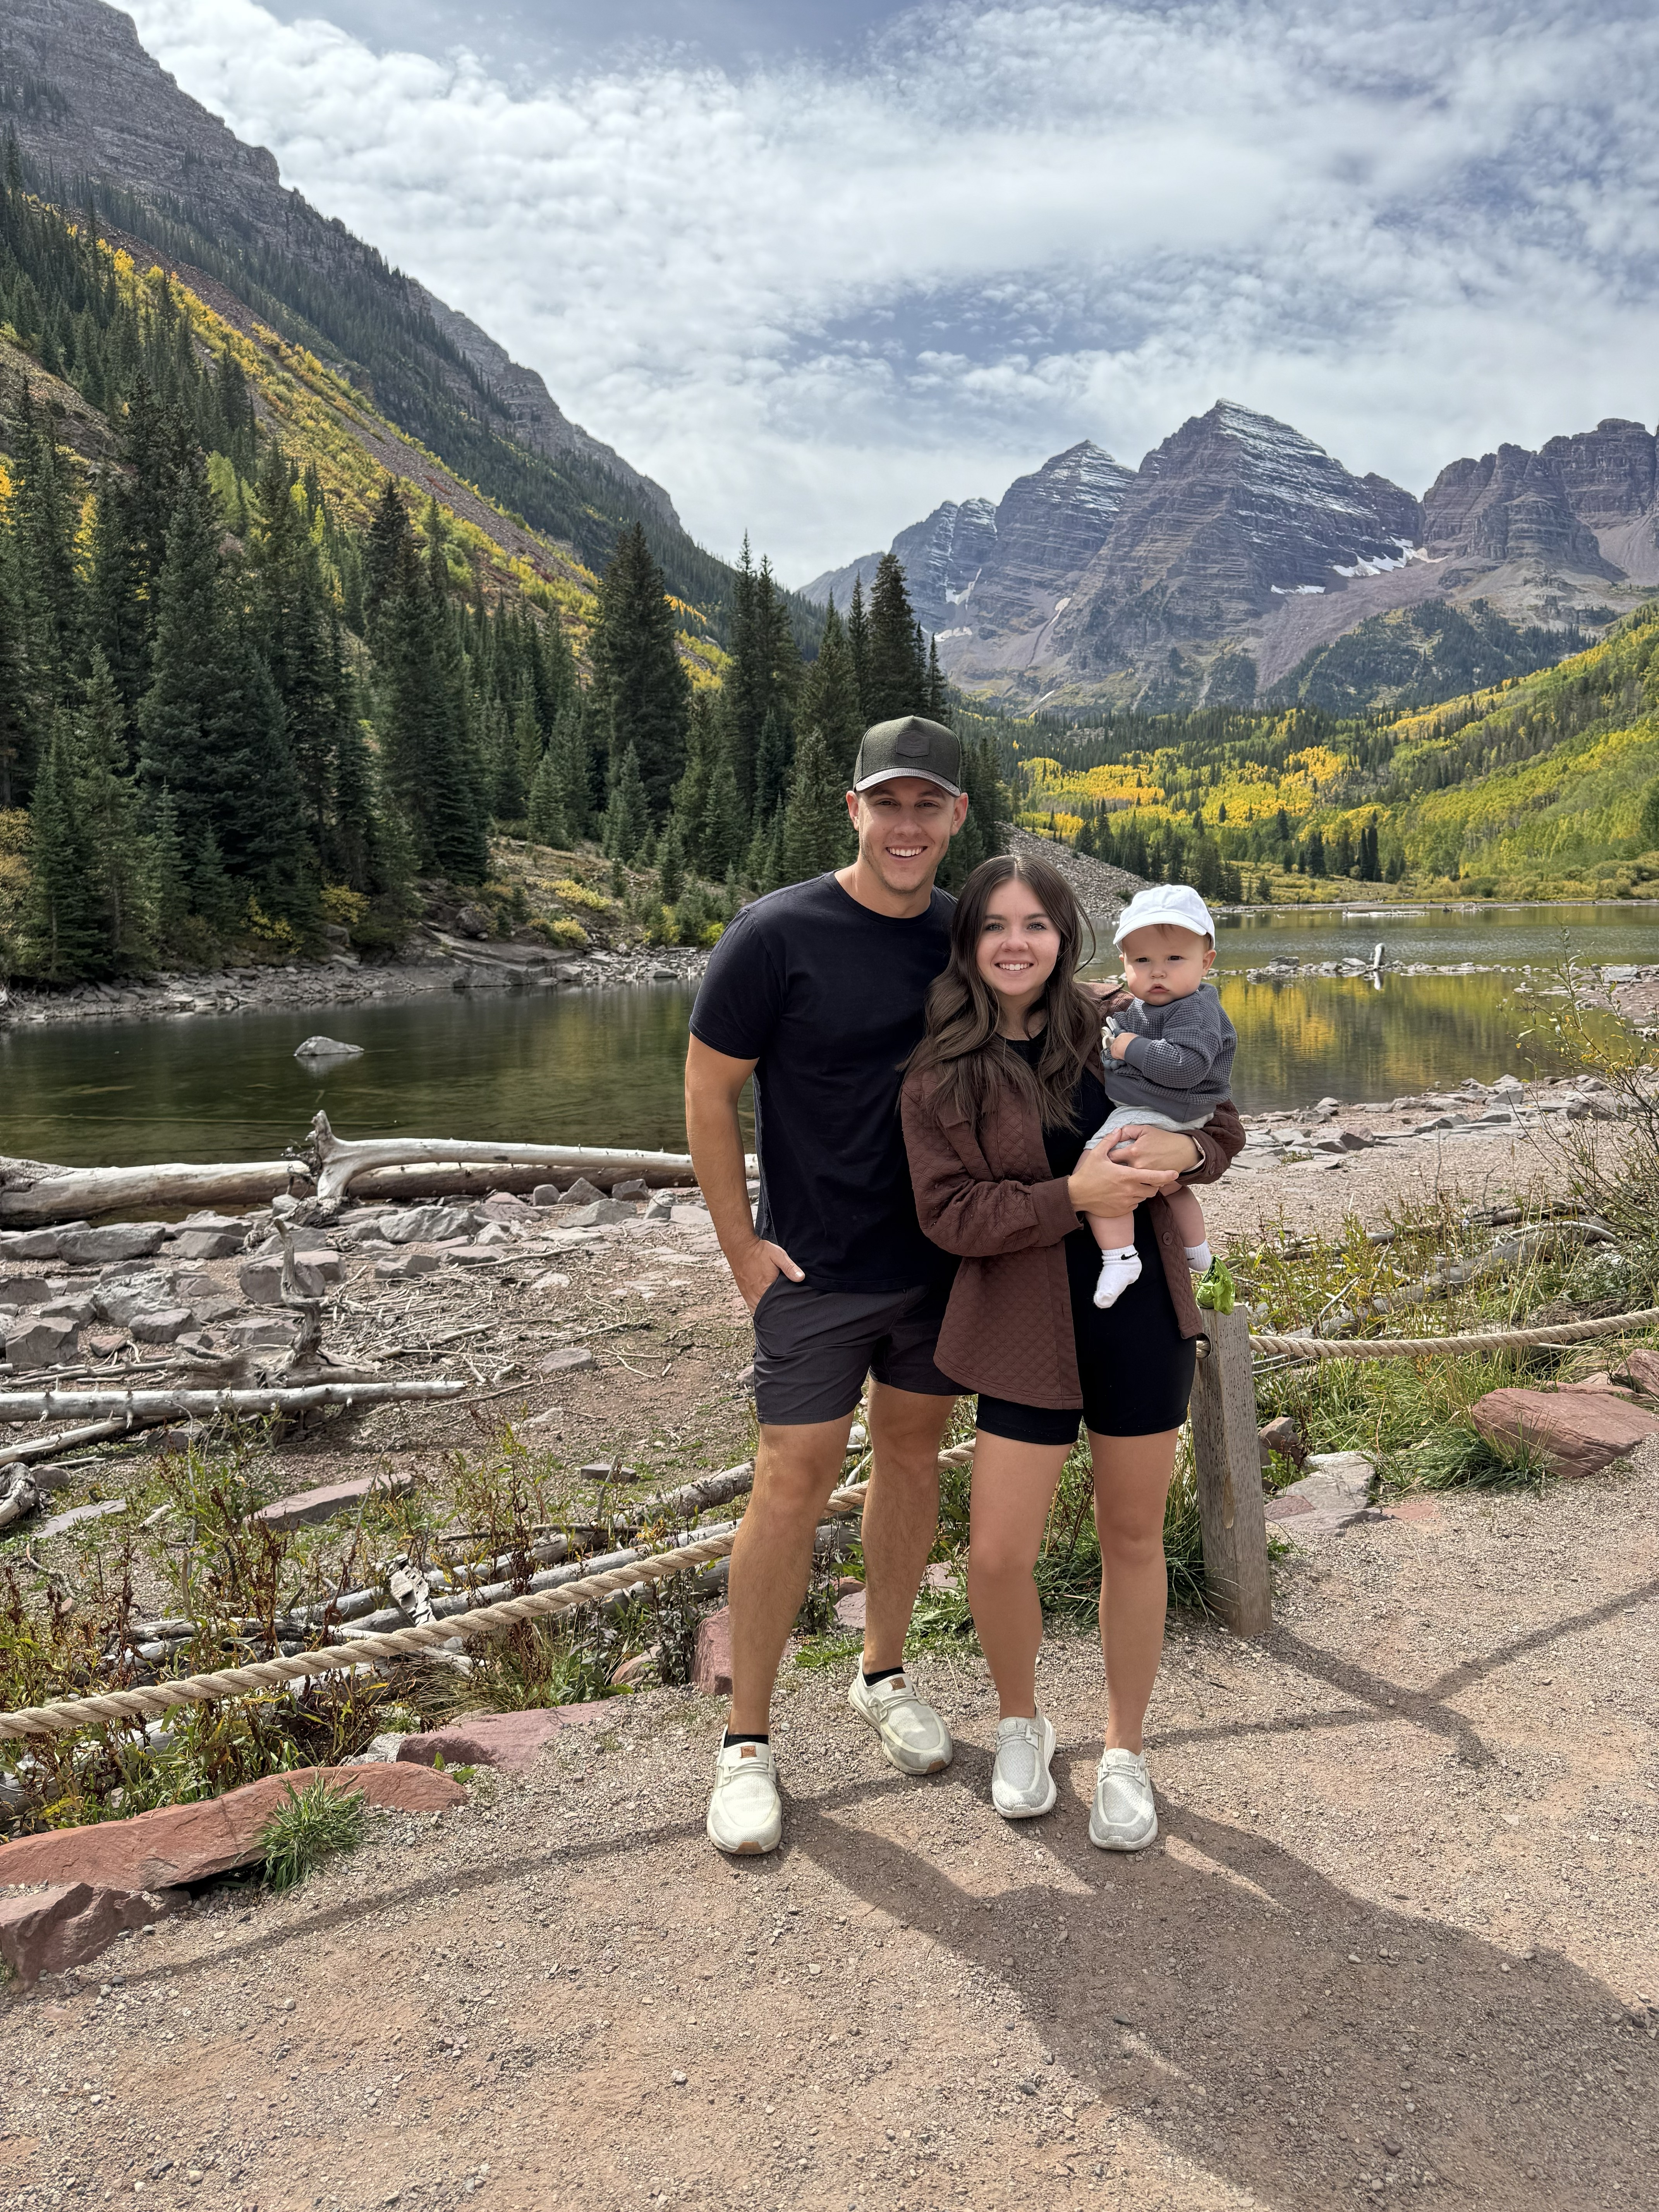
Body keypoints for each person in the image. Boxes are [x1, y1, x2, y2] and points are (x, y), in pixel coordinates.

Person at [683, 714, 1200, 1857]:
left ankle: (882, 1672)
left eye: (930, 805)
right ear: (854, 809)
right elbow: (709, 1089)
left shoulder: (966, 935)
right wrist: (740, 1246)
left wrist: (1189, 1128)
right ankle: (748, 1744)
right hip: (818, 1265)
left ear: (957, 816)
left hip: (950, 1273)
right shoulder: (775, 935)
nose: (908, 824)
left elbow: (1086, 1019)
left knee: (911, 1458)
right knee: (792, 1478)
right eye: (889, 802)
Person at [900, 852, 1243, 1847]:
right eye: (995, 925)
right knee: (1001, 1550)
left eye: (1036, 926)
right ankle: (1021, 1722)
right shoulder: (942, 1070)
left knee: (1133, 1539)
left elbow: (1217, 1124)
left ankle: (1126, 1749)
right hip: (1020, 1325)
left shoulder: (1118, 1023)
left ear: (1064, 940)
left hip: (1137, 1318)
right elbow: (949, 1216)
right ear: (970, 944)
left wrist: (1189, 1154)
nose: (1016, 943)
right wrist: (1074, 1201)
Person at [1080, 884, 1238, 1310]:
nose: (1157, 972)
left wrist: (1125, 1047)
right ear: (1125, 963)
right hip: (1171, 1111)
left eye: (1174, 959)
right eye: (1143, 961)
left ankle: (1119, 1256)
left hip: (1163, 1111)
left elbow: (1184, 1067)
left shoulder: (1192, 1009)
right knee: (1169, 1187)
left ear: (1206, 963)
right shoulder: (1143, 1007)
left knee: (1098, 1166)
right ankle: (1198, 1251)